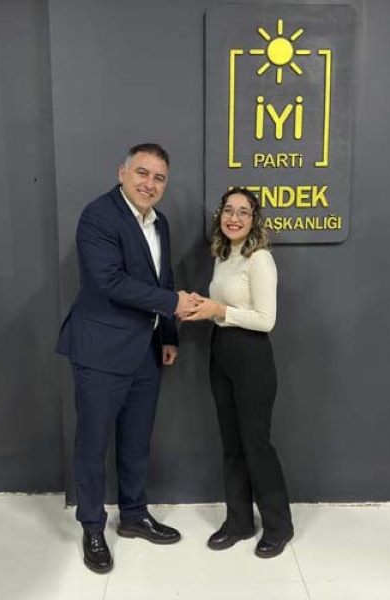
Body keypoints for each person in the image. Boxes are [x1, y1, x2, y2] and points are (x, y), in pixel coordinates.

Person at [56, 143, 198, 573]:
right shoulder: (98, 216)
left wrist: (168, 333)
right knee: (93, 445)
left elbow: (163, 278)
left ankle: (134, 515)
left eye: (159, 178)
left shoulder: (160, 223)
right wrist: (173, 303)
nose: (149, 184)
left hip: (146, 351)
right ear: (122, 173)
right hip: (100, 350)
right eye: (142, 173)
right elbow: (109, 281)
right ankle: (92, 527)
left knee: (136, 441)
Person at [181, 187, 294, 558]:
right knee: (231, 444)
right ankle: (239, 522)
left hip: (252, 356)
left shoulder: (259, 259)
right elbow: (223, 306)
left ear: (254, 220)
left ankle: (279, 527)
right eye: (228, 210)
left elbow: (266, 320)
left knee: (255, 444)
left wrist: (218, 309)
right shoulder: (224, 254)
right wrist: (202, 306)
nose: (234, 218)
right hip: (222, 351)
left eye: (243, 212)